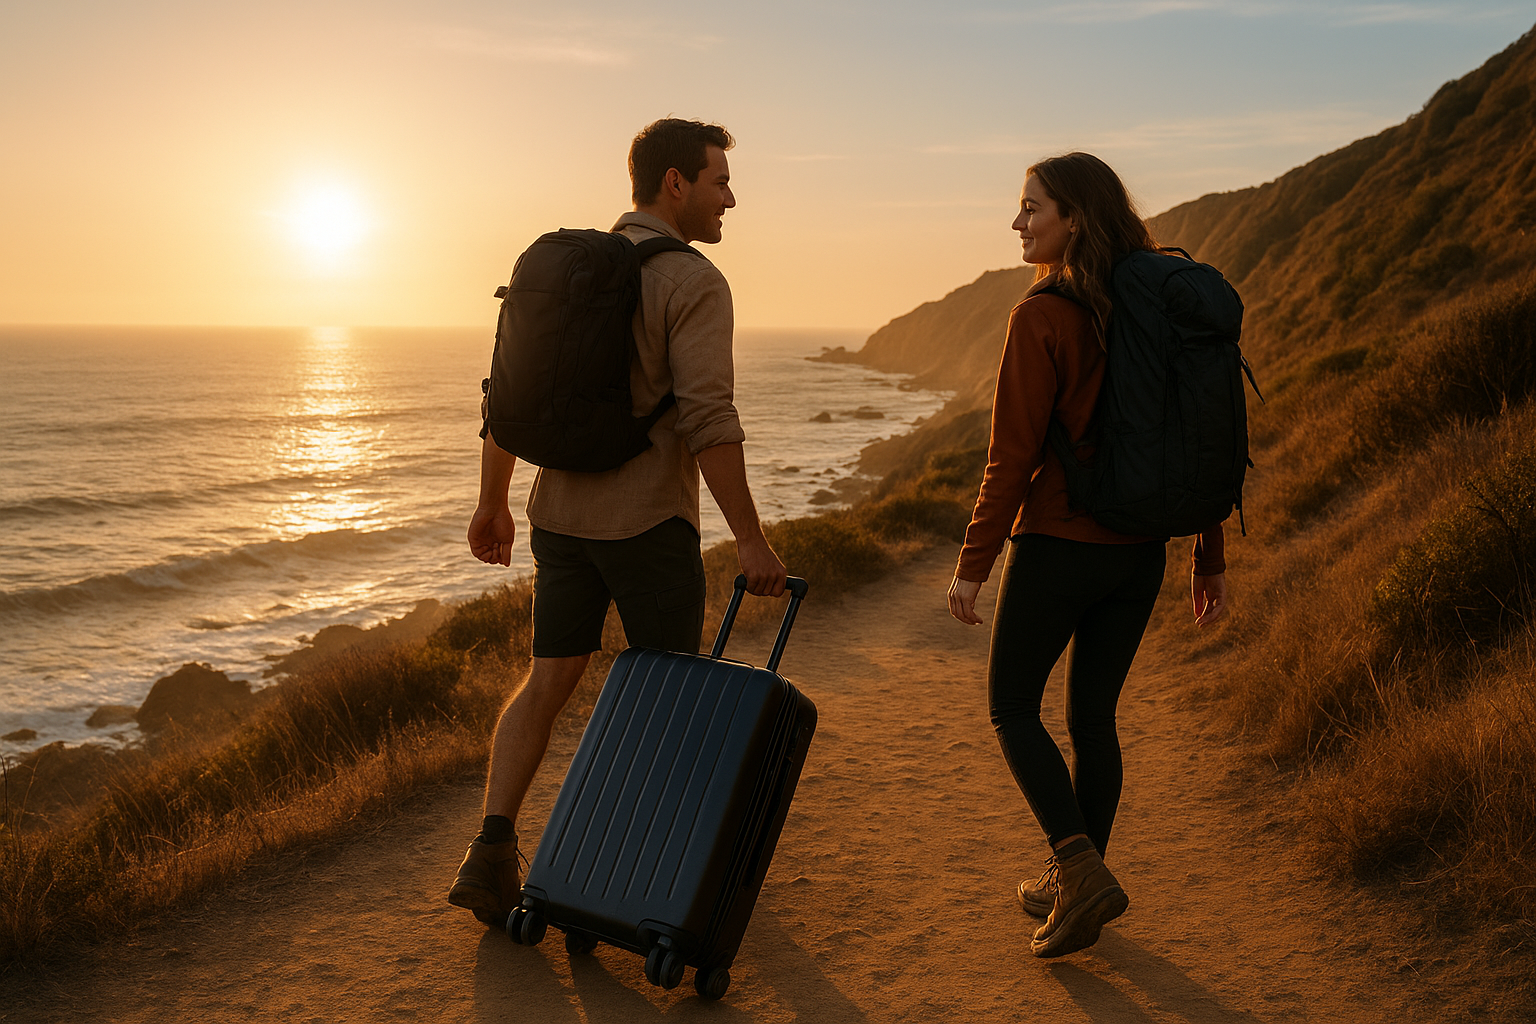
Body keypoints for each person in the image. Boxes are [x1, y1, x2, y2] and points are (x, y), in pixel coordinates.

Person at [448, 118, 789, 927]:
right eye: (719, 182)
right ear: (675, 183)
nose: (729, 199)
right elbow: (709, 419)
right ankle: (634, 878)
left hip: (558, 518)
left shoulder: (565, 272)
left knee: (548, 680)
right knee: (667, 700)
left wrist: (492, 502)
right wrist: (750, 538)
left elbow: (508, 399)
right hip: (646, 525)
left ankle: (491, 849)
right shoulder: (692, 282)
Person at [946, 152, 1230, 959]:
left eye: (1031, 207)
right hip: (1139, 554)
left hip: (1059, 548)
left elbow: (1011, 457)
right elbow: (1202, 437)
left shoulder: (1040, 316)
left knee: (1012, 707)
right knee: (1093, 719)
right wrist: (1208, 553)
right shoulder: (1160, 310)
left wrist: (973, 563)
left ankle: (1078, 870)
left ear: (1073, 218)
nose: (1018, 221)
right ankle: (1076, 875)